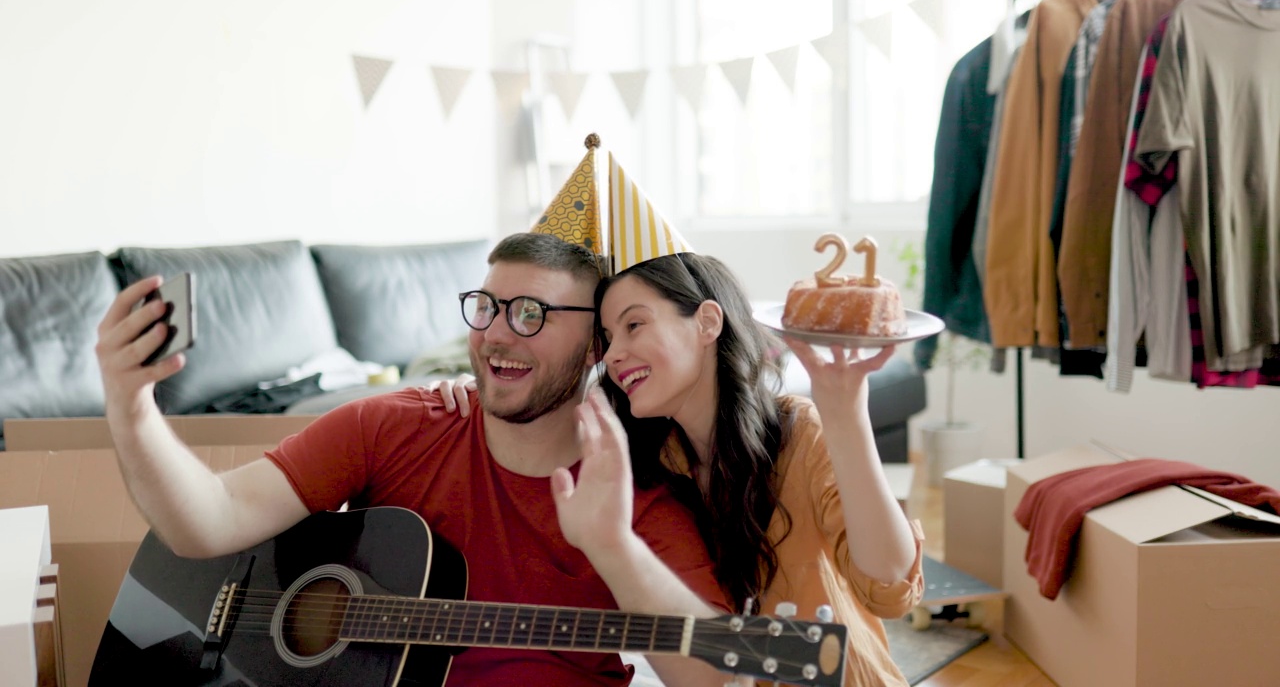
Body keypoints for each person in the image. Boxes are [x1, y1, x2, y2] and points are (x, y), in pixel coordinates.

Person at [94, 232, 734, 687]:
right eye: (486, 307)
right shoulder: (392, 425)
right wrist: (130, 404)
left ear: (597, 343)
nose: (497, 333)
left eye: (532, 313)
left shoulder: (640, 501)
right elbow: (208, 521)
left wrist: (613, 545)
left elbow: (711, 675)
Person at [435, 251, 925, 686]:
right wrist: (479, 392)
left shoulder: (797, 434)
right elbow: (550, 411)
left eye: (634, 325)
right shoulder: (646, 460)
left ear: (707, 323)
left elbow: (890, 586)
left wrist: (846, 414)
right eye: (606, 337)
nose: (615, 353)